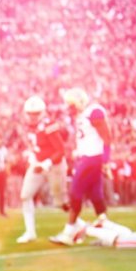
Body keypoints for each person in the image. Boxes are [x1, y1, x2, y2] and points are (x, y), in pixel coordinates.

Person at [49, 88, 121, 245]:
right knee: (95, 192)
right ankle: (104, 222)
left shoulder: (94, 112)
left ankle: (70, 232)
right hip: (86, 158)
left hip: (93, 158)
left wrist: (106, 162)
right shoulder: (80, 116)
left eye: (71, 104)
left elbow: (107, 138)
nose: (69, 108)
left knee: (75, 191)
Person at [16, 95, 69, 243]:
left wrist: (45, 164)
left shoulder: (48, 125)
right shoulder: (25, 126)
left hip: (54, 165)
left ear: (43, 112)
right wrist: (33, 159)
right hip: (37, 164)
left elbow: (61, 150)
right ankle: (30, 232)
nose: (33, 117)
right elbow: (33, 146)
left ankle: (77, 225)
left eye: (36, 113)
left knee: (60, 203)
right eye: (31, 113)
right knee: (25, 196)